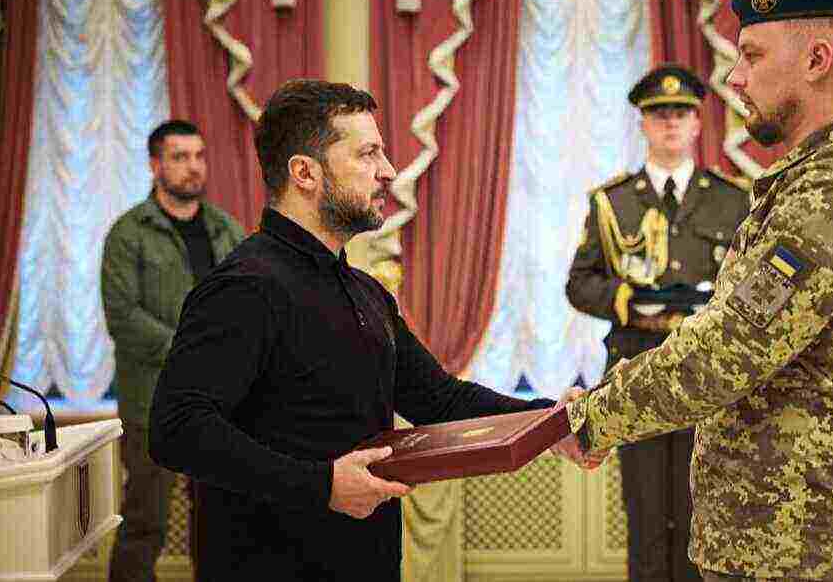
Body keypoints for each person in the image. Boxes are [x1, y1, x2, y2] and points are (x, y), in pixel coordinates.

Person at [558, 0, 833, 581]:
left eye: (753, 55)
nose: (735, 76)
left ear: (816, 60)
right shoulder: (829, 176)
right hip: (780, 535)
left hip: (799, 544)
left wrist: (591, 418)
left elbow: (730, 348)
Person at [147, 80, 574, 581]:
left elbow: (439, 399)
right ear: (305, 173)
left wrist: (553, 421)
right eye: (368, 154)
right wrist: (321, 484)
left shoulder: (365, 290)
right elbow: (177, 428)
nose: (388, 171)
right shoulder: (245, 285)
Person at [567, 64, 751, 582]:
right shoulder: (613, 201)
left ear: (697, 123)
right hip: (635, 372)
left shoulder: (733, 198)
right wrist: (627, 302)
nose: (671, 122)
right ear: (644, 124)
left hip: (707, 375)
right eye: (659, 114)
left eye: (681, 113)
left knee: (701, 521)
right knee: (646, 519)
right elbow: (579, 283)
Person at [101, 120, 246, 582]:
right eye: (180, 157)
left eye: (199, 156)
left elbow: (250, 305)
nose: (193, 166)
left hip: (222, 406)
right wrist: (192, 351)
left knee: (220, 522)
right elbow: (123, 316)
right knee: (145, 522)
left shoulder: (226, 229)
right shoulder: (129, 233)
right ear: (155, 165)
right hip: (153, 405)